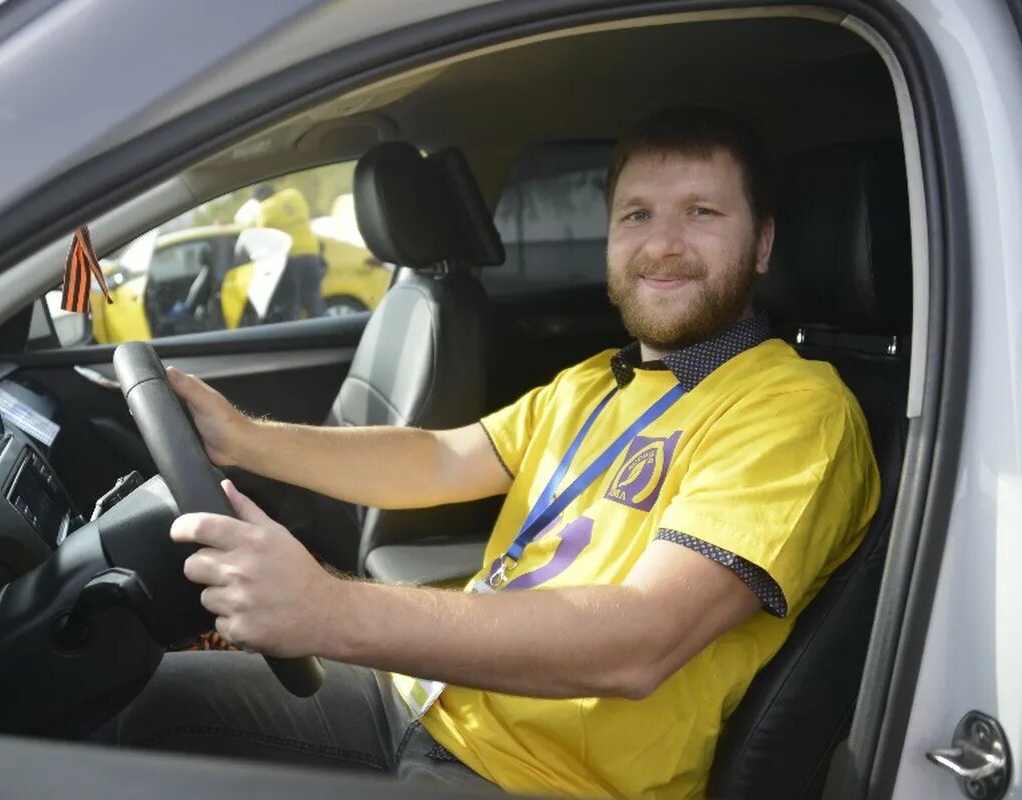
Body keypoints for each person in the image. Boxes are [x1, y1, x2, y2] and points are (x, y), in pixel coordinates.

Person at [95, 108, 880, 799]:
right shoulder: (596, 383)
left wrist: (329, 610)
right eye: (635, 215)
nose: (662, 244)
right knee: (136, 701)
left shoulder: (796, 411)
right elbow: (436, 460)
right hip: (429, 698)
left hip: (542, 779)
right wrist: (246, 439)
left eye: (702, 211)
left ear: (764, 242)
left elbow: (641, 641)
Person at [253, 184, 327, 320]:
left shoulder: (264, 210)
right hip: (311, 253)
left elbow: (262, 239)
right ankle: (324, 332)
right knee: (314, 299)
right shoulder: (294, 194)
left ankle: (293, 336)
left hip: (289, 259)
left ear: (259, 199)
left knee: (290, 303)